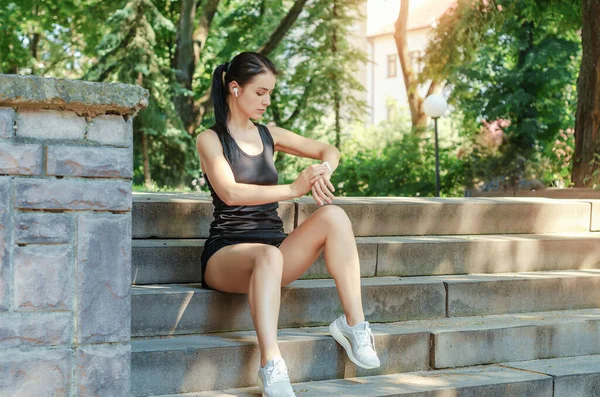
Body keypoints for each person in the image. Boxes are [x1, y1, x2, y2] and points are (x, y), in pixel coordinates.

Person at [195, 51, 380, 397]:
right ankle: (272, 364)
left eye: (270, 93)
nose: (267, 100)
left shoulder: (269, 135)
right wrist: (294, 189)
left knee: (334, 216)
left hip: (276, 252)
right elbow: (231, 192)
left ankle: (354, 325)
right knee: (268, 256)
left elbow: (329, 149)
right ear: (235, 89)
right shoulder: (210, 139)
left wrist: (324, 170)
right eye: (260, 92)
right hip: (227, 254)